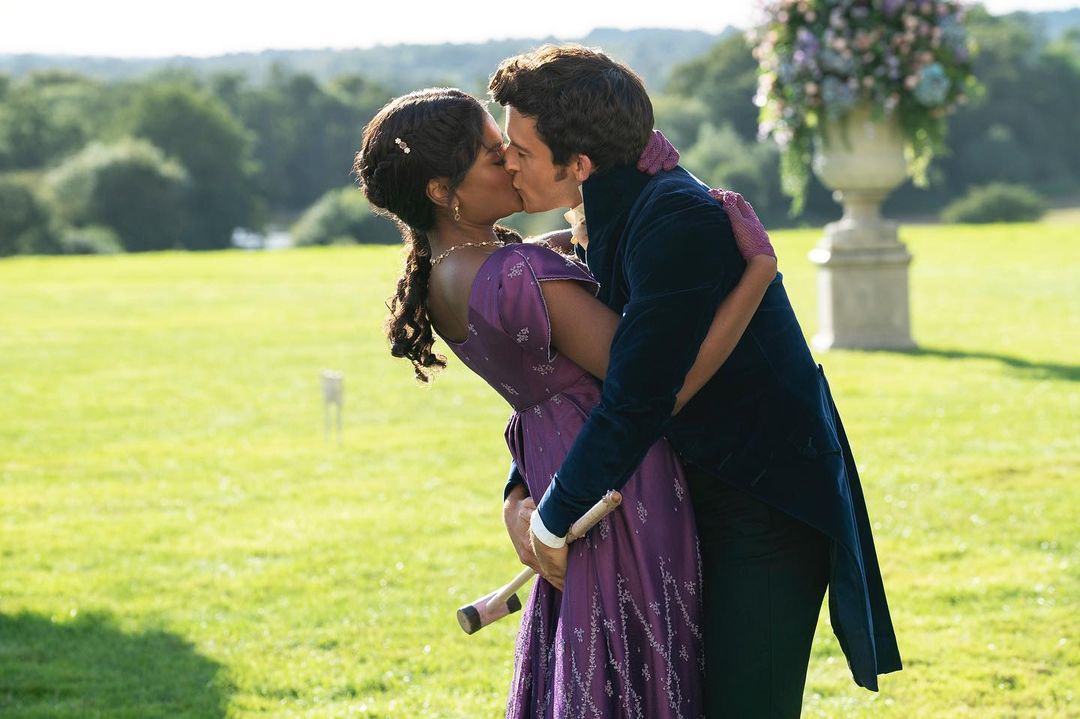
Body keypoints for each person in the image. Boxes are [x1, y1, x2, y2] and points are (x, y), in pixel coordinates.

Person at [490, 45, 902, 718]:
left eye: (521, 150)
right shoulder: (607, 215)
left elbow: (639, 396)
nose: (507, 162)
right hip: (679, 499)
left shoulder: (676, 217)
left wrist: (552, 520)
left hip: (760, 503)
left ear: (581, 164)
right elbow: (569, 388)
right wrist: (520, 494)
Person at [355, 87, 777, 717]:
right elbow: (659, 384)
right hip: (620, 484)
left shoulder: (445, 274)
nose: (511, 161)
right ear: (444, 191)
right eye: (494, 155)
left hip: (555, 470)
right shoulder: (520, 273)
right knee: (637, 662)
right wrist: (757, 276)